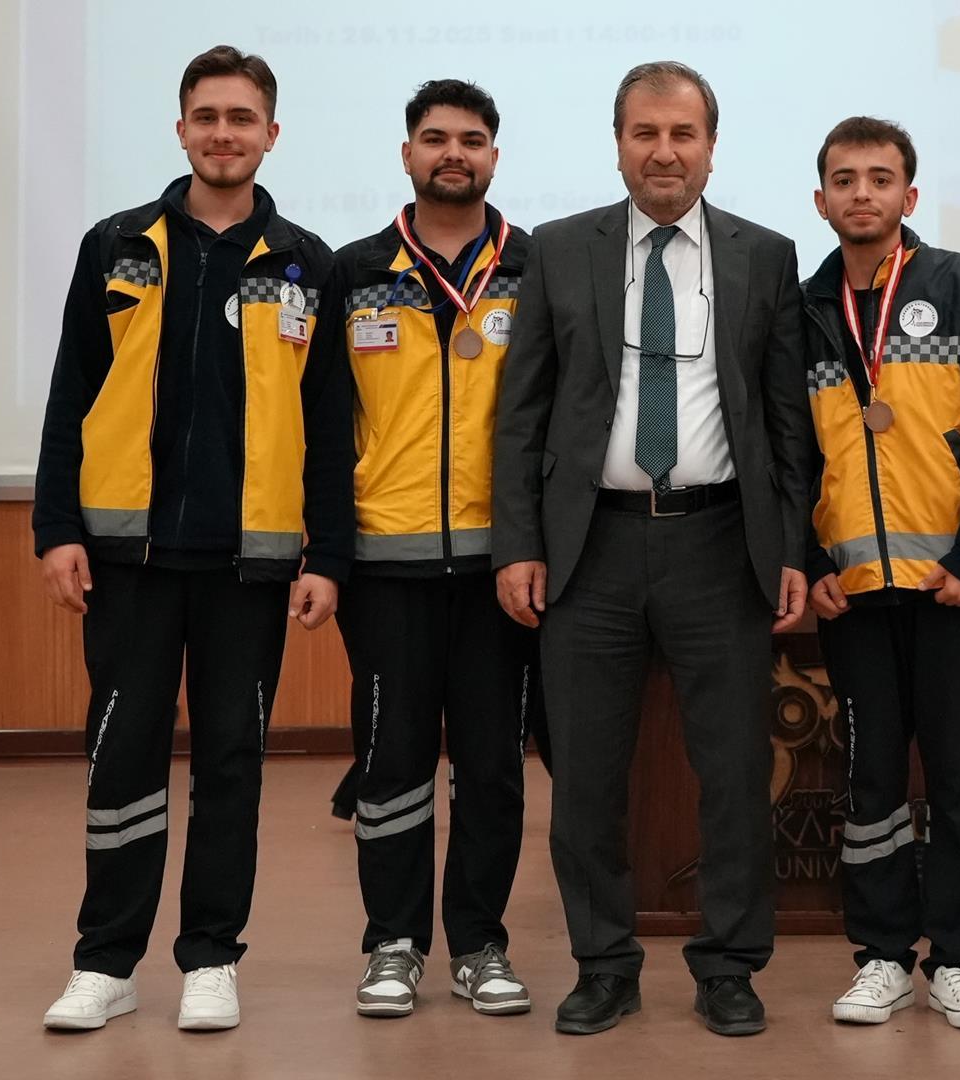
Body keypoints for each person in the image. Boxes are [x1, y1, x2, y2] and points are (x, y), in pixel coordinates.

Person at [31, 45, 353, 1033]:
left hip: (249, 568)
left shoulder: (306, 263)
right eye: (206, 116)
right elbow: (71, 393)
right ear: (180, 130)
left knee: (230, 768)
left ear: (271, 134)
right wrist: (56, 529)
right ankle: (106, 963)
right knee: (121, 761)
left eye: (241, 117)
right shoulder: (115, 245)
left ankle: (212, 957)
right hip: (126, 563)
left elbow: (330, 426)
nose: (223, 133)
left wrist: (328, 557)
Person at [492, 60, 812, 1037]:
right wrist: (518, 543)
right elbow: (522, 413)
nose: (664, 152)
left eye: (682, 134)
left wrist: (791, 548)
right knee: (586, 777)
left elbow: (787, 423)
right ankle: (603, 963)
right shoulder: (560, 249)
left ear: (711, 146)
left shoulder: (766, 255)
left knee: (735, 772)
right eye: (645, 133)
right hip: (590, 549)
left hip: (720, 544)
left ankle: (730, 965)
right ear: (619, 143)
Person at [798, 119, 960, 1030]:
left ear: (909, 196)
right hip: (852, 593)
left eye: (881, 178)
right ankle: (883, 956)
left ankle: (958, 960)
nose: (863, 193)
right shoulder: (804, 306)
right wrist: (808, 560)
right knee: (871, 779)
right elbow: (790, 452)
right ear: (821, 200)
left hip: (954, 589)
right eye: (845, 179)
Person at [329, 79, 538, 1020]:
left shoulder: (537, 267)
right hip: (386, 567)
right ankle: (393, 943)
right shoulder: (353, 271)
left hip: (504, 570)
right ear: (407, 153)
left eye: (472, 139)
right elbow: (324, 423)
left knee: (492, 767)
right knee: (391, 763)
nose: (454, 152)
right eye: (436, 137)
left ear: (494, 155)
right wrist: (329, 553)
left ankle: (481, 944)